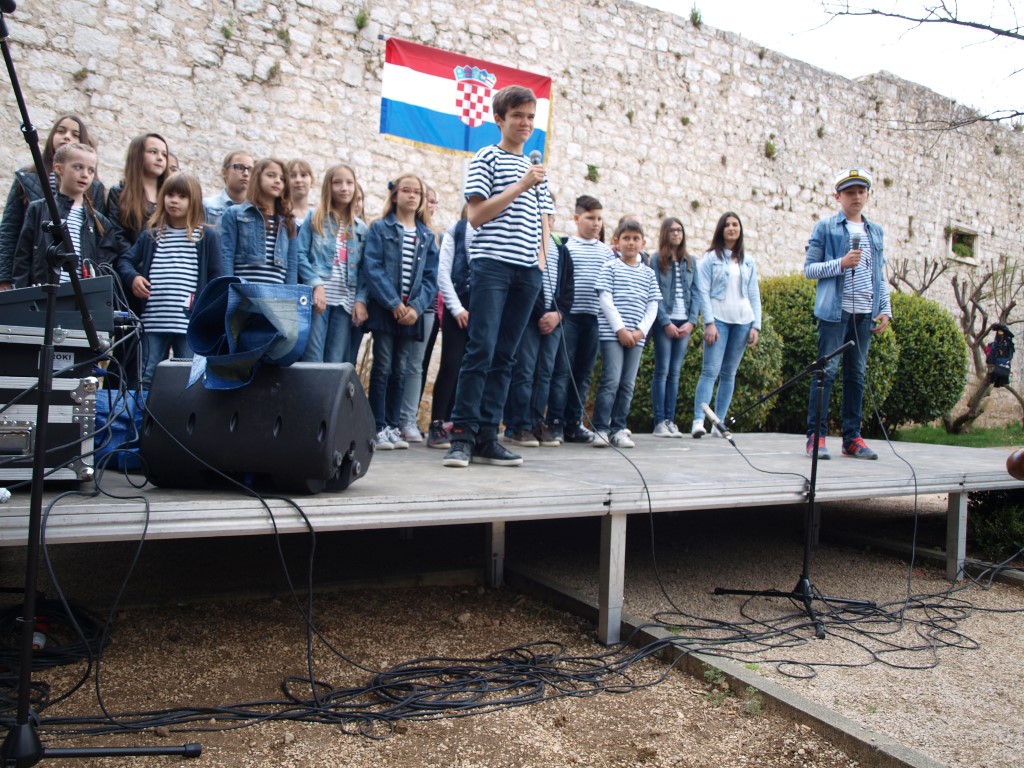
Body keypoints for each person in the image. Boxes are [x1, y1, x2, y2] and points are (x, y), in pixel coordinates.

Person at [442, 85, 553, 468]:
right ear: (499, 119)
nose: (525, 123)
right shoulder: (486, 157)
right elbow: (475, 215)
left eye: (530, 117)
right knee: (481, 349)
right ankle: (462, 436)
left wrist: (540, 261)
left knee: (506, 356)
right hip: (492, 266)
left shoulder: (538, 170)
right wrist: (521, 184)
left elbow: (546, 220)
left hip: (527, 273)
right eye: (518, 115)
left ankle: (488, 437)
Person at [804, 168, 891, 460]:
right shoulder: (825, 228)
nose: (856, 197)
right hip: (834, 312)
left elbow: (879, 274)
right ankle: (816, 437)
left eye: (861, 192)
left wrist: (885, 308)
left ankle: (852, 438)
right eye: (850, 192)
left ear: (867, 195)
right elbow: (809, 269)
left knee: (856, 375)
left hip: (864, 313)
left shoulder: (875, 232)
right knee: (826, 373)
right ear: (837, 197)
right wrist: (840, 263)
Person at [115, 172, 223, 386]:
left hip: (189, 324)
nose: (174, 200)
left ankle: (181, 410)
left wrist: (204, 312)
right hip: (153, 320)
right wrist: (134, 278)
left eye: (182, 196)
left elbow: (217, 277)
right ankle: (142, 410)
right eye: (170, 195)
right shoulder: (151, 235)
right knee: (145, 376)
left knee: (189, 378)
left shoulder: (206, 237)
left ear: (194, 201)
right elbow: (125, 261)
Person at [363, 172, 439, 450]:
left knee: (401, 368)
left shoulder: (426, 236)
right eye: (406, 190)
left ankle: (394, 425)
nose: (412, 195)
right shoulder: (380, 228)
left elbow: (431, 278)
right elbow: (373, 268)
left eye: (417, 192)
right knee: (383, 365)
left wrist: (416, 308)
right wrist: (394, 303)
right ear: (395, 195)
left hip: (411, 314)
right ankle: (378, 426)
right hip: (387, 310)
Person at [0, 114, 106, 290]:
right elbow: (10, 229)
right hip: (37, 272)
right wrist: (4, 277)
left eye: (75, 134)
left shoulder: (94, 188)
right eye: (61, 131)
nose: (67, 137)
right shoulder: (27, 177)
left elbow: (97, 239)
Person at [543, 195, 614, 444]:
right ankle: (554, 422)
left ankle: (574, 423)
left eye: (599, 219)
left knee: (583, 374)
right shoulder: (566, 247)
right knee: (562, 372)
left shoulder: (607, 253)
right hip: (569, 318)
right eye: (590, 218)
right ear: (576, 218)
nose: (596, 224)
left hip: (594, 319)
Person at [503, 209, 574, 446]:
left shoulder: (561, 249)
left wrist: (558, 314)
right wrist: (540, 313)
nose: (548, 220)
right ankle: (518, 425)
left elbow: (568, 288)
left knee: (545, 373)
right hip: (529, 318)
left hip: (554, 320)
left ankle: (536, 422)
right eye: (543, 215)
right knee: (524, 371)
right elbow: (522, 283)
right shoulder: (526, 243)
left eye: (551, 216)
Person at [12, 142, 126, 288]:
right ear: (59, 168)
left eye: (91, 170)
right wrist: (21, 293)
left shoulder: (100, 221)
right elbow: (22, 258)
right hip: (44, 294)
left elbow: (104, 267)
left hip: (81, 297)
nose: (85, 174)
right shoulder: (38, 209)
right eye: (78, 167)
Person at [691, 211, 761, 438]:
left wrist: (756, 325)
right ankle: (699, 420)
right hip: (718, 320)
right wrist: (708, 322)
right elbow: (702, 291)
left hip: (743, 321)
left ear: (740, 230)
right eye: (727, 225)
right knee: (710, 371)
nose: (732, 228)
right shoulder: (710, 258)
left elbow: (754, 294)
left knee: (729, 373)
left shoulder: (748, 261)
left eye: (735, 225)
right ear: (721, 229)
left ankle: (718, 424)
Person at [592, 219, 660, 448]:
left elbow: (653, 305)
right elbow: (605, 300)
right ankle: (601, 428)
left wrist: (641, 331)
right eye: (626, 238)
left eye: (635, 239)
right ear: (617, 241)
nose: (631, 243)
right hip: (613, 335)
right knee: (611, 380)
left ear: (643, 243)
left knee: (628, 384)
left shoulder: (648, 274)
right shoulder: (610, 267)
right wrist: (620, 329)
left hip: (636, 338)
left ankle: (619, 428)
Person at [297, 163, 368, 366]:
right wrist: (316, 284)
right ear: (329, 186)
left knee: (335, 362)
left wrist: (360, 300)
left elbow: (365, 271)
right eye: (337, 183)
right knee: (313, 359)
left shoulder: (361, 229)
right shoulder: (314, 218)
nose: (344, 188)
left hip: (345, 303)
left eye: (349, 183)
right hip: (318, 300)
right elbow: (299, 254)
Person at [428, 207, 474, 449]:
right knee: (451, 364)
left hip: (483, 308)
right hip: (458, 306)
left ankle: (461, 424)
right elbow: (443, 274)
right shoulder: (456, 231)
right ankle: (438, 423)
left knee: (473, 368)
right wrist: (456, 309)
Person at [650, 217, 699, 437]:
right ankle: (659, 422)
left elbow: (696, 292)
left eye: (680, 230)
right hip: (665, 322)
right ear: (665, 233)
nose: (677, 233)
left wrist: (692, 321)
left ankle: (671, 420)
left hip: (684, 322)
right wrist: (665, 322)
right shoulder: (656, 259)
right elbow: (654, 292)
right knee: (662, 370)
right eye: (672, 230)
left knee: (675, 373)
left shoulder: (691, 261)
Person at [220, 158, 298, 284]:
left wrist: (291, 293)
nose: (277, 181)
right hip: (244, 292)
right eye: (271, 175)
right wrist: (226, 288)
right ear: (257, 178)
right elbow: (226, 256)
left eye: (282, 179)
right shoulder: (234, 214)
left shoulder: (288, 221)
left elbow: (292, 265)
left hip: (277, 294)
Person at [105, 133, 170, 245]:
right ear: (137, 155)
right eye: (153, 152)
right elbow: (116, 234)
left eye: (164, 154)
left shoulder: (170, 195)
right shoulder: (119, 192)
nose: (160, 158)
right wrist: (135, 255)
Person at [203, 150, 253, 226]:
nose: (246, 174)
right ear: (224, 172)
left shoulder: (257, 210)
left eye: (250, 170)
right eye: (239, 168)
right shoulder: (207, 206)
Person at [287, 158, 314, 225]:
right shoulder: (279, 215)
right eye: (292, 176)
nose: (298, 180)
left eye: (303, 175)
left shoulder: (318, 217)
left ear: (312, 181)